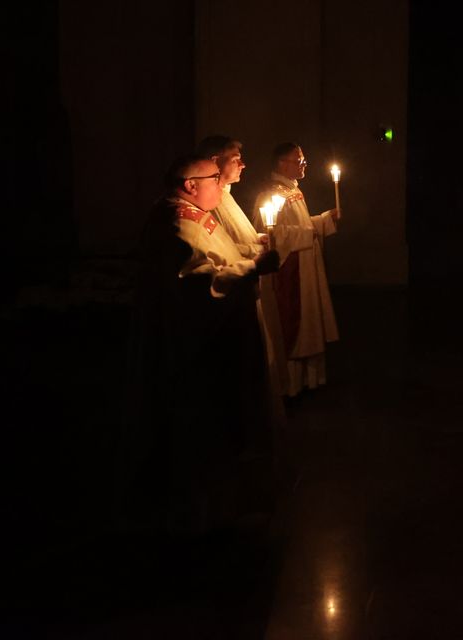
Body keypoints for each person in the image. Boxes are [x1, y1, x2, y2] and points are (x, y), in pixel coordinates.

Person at [124, 154, 280, 533]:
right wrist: (253, 268)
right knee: (201, 427)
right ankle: (201, 518)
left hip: (213, 339)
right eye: (214, 178)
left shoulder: (192, 213)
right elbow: (198, 284)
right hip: (196, 349)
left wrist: (247, 253)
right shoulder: (177, 223)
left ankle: (218, 507)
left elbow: (218, 255)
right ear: (190, 185)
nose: (221, 184)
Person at [197, 135, 290, 411]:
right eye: (235, 159)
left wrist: (255, 239)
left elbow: (231, 236)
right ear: (215, 162)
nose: (243, 165)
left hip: (250, 276)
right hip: (238, 286)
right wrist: (253, 250)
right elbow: (217, 246)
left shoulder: (225, 195)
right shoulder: (210, 199)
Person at [255, 142, 339, 396]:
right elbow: (271, 234)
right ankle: (289, 384)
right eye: (298, 160)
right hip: (292, 270)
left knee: (310, 322)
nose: (304, 164)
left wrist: (323, 220)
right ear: (282, 163)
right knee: (295, 323)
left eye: (303, 160)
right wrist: (309, 232)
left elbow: (301, 226)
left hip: (306, 265)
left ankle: (308, 380)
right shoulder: (271, 195)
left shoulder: (292, 190)